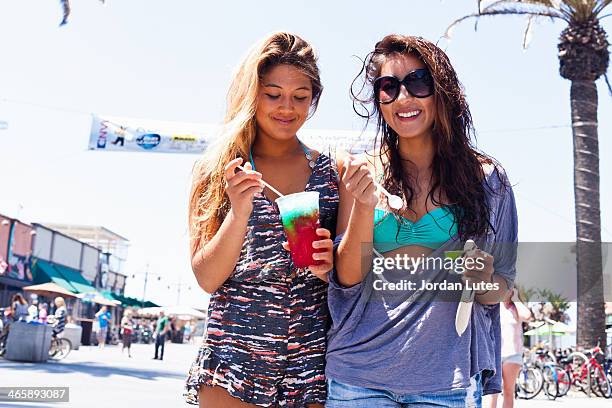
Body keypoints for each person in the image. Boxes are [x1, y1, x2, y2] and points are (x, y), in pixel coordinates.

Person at [325, 35, 518, 407]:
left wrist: (482, 278)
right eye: (389, 87)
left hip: (447, 381)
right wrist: (365, 205)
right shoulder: (360, 172)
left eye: (418, 82)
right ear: (378, 101)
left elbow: (500, 290)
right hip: (357, 376)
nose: (403, 98)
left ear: (442, 91)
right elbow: (347, 279)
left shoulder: (488, 180)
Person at [184, 32, 337, 407]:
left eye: (300, 97)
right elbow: (206, 278)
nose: (287, 107)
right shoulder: (217, 169)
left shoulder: (332, 175)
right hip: (233, 361)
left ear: (313, 99)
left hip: (310, 365)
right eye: (273, 94)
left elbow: (355, 273)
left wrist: (331, 266)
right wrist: (238, 214)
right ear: (253, 93)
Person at [486, 288, 532, 408]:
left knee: (508, 391)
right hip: (495, 354)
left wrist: (516, 299)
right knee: (493, 392)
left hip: (512, 354)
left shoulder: (515, 309)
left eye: (509, 289)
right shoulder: (495, 307)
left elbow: (527, 316)